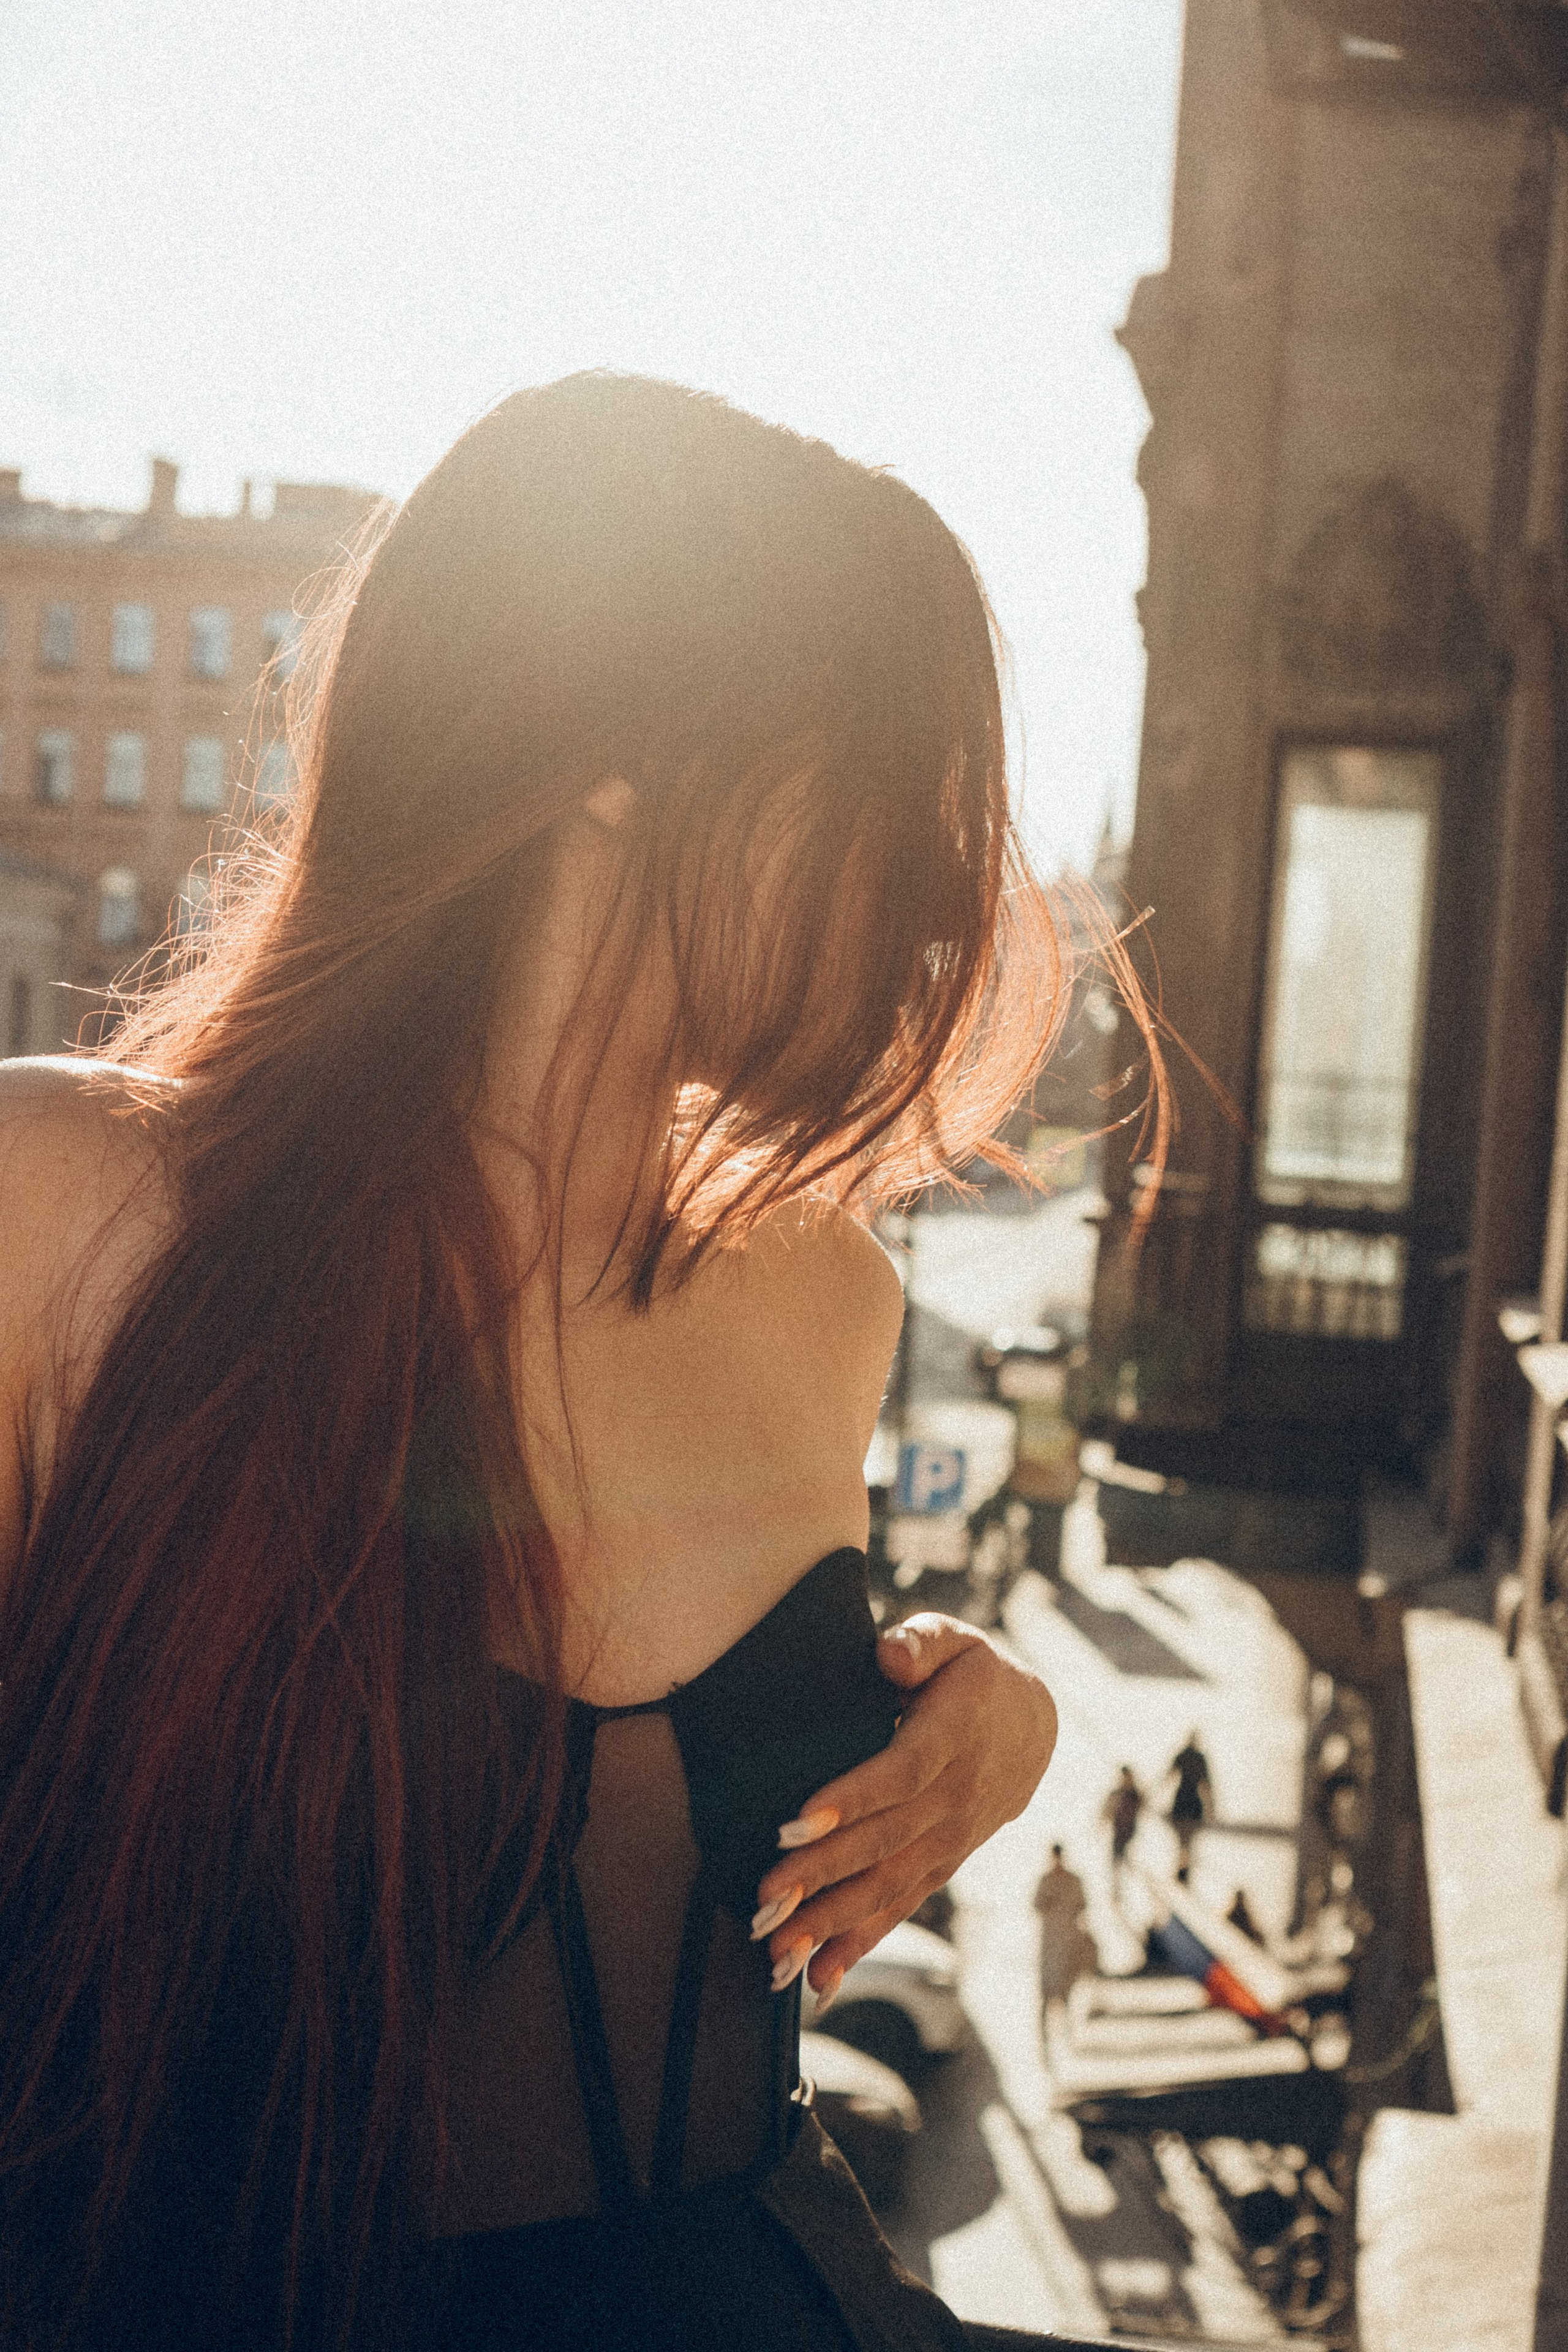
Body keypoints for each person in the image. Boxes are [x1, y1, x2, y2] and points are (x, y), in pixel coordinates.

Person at [0, 375, 1155, 2350]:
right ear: (621, 754)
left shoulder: (828, 1303)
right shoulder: (71, 1204)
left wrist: (996, 1718)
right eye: (881, 788)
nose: (941, 884)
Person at [1033, 1843, 1096, 2008]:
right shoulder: (1047, 1880)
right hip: (1052, 1939)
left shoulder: (1073, 1880)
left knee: (1068, 1983)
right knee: (1048, 1988)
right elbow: (1038, 1905)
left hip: (1068, 1937)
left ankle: (1068, 2025)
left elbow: (1082, 1906)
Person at [1166, 1732, 1214, 1885]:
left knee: (1185, 1841)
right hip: (1189, 1802)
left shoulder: (1190, 1757)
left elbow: (1169, 1776)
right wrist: (1210, 1808)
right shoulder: (1197, 1758)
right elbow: (1206, 1785)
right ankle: (1183, 1869)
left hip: (1186, 1802)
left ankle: (1183, 1869)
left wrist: (1210, 1808)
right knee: (1185, 1842)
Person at [1103, 1764, 1144, 1888]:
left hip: (1130, 1830)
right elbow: (1108, 1810)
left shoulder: (1135, 1794)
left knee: (1123, 1855)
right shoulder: (1118, 1793)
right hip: (1119, 1829)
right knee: (1117, 1858)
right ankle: (1117, 1886)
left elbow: (1143, 1806)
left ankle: (1132, 1881)